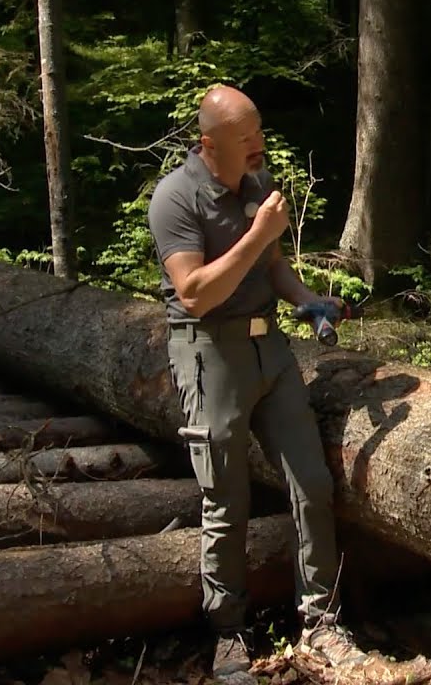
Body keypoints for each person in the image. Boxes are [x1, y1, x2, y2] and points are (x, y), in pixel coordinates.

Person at [148, 85, 367, 682]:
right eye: (246, 139)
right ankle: (228, 633)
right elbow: (195, 293)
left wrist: (308, 301)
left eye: (259, 134)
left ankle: (321, 622)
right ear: (208, 144)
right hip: (210, 355)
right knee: (226, 500)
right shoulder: (175, 198)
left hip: (271, 350)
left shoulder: (257, 183)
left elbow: (272, 268)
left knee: (312, 485)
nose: (258, 146)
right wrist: (257, 233)